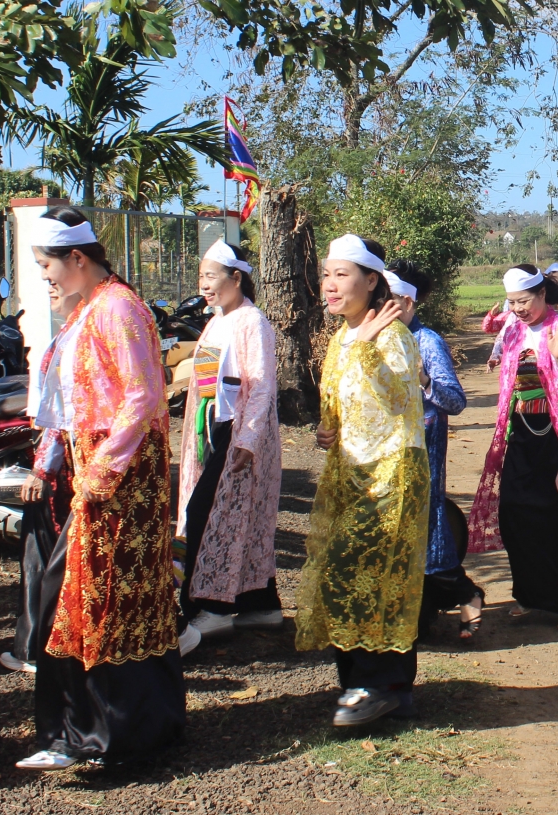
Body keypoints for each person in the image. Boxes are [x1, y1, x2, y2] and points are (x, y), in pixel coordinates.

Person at [20, 207, 183, 770]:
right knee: (84, 595)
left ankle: (105, 734)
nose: (44, 276)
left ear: (78, 258)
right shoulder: (86, 309)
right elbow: (70, 406)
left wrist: (101, 473)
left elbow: (142, 397)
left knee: (105, 597)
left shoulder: (117, 309)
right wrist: (55, 460)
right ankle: (88, 731)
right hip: (100, 472)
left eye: (47, 265)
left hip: (123, 476)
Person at [294, 234, 430, 725]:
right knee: (342, 570)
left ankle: (385, 684)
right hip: (349, 471)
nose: (329, 285)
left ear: (371, 281)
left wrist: (370, 350)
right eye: (327, 274)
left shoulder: (392, 333)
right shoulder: (340, 335)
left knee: (379, 574)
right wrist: (328, 428)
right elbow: (340, 399)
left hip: (392, 471)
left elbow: (400, 401)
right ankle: (356, 681)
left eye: (341, 275)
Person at [466, 265, 558, 633]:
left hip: (557, 437)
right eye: (512, 303)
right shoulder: (513, 328)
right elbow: (507, 376)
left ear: (543, 294)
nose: (517, 309)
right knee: (515, 513)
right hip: (521, 433)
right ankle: (528, 594)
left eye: (524, 301)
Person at [175, 240, 282, 648]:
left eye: (211, 277)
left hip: (239, 432)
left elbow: (262, 386)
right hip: (212, 429)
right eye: (201, 276)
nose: (204, 284)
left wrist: (249, 440)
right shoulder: (218, 319)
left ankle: (213, 609)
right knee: (239, 518)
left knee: (210, 512)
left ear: (236, 278)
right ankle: (261, 603)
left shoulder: (252, 322)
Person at [387, 260, 483, 642]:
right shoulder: (381, 338)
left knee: (425, 525)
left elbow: (455, 400)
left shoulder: (427, 341)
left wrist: (425, 378)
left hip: (423, 448)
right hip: (389, 452)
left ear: (408, 304)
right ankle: (419, 610)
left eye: (389, 301)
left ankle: (464, 592)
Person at [2, 289, 81, 675]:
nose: (49, 284)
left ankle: (39, 645)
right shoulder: (70, 333)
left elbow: (60, 416)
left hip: (66, 466)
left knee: (47, 557)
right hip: (67, 461)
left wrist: (43, 469)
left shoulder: (77, 336)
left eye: (53, 273)